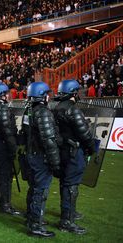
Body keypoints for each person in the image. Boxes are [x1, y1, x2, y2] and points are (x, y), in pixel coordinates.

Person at [54, 79, 96, 234]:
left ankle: (68, 213)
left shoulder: (57, 108)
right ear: (72, 92)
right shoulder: (73, 110)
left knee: (65, 183)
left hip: (62, 151)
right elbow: (85, 135)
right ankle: (67, 221)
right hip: (74, 152)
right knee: (71, 186)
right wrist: (92, 149)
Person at [22, 81, 60, 237]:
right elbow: (49, 140)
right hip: (40, 157)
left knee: (34, 188)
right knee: (40, 191)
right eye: (46, 94)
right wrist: (56, 162)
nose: (48, 97)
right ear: (42, 96)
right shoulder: (43, 112)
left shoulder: (28, 111)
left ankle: (31, 218)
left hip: (31, 154)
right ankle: (35, 225)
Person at [0, 83, 22, 215]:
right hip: (2, 144)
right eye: (7, 93)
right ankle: (5, 204)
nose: (9, 96)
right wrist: (13, 148)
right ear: (2, 95)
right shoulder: (3, 109)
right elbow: (7, 131)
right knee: (5, 175)